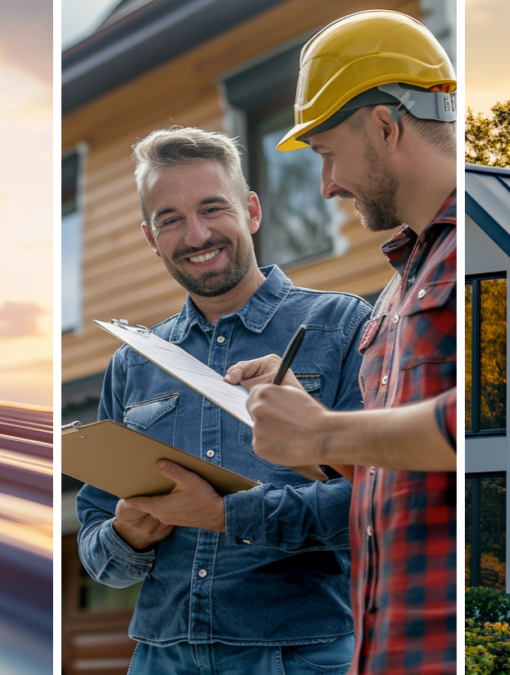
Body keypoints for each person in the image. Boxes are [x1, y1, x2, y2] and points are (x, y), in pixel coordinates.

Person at [76, 126, 372, 674]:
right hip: (160, 655)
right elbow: (96, 541)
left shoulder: (340, 326)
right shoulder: (133, 361)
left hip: (295, 653)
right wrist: (124, 538)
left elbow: (372, 501)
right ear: (149, 237)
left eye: (213, 209)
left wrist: (226, 514)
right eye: (170, 220)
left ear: (252, 210)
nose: (196, 234)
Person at [224, 11, 458, 675]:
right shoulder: (392, 295)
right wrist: (311, 430)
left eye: (327, 153)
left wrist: (325, 433)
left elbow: (495, 420)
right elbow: (400, 470)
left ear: (387, 125)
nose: (325, 184)